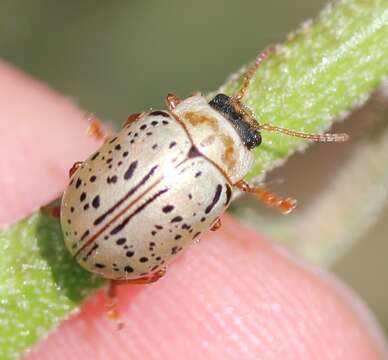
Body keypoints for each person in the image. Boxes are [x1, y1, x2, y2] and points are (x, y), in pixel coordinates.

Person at [1, 60, 386, 360]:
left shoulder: (164, 125)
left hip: (82, 212)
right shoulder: (218, 186)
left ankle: (113, 278)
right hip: (111, 247)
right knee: (160, 267)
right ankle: (116, 288)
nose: (244, 118)